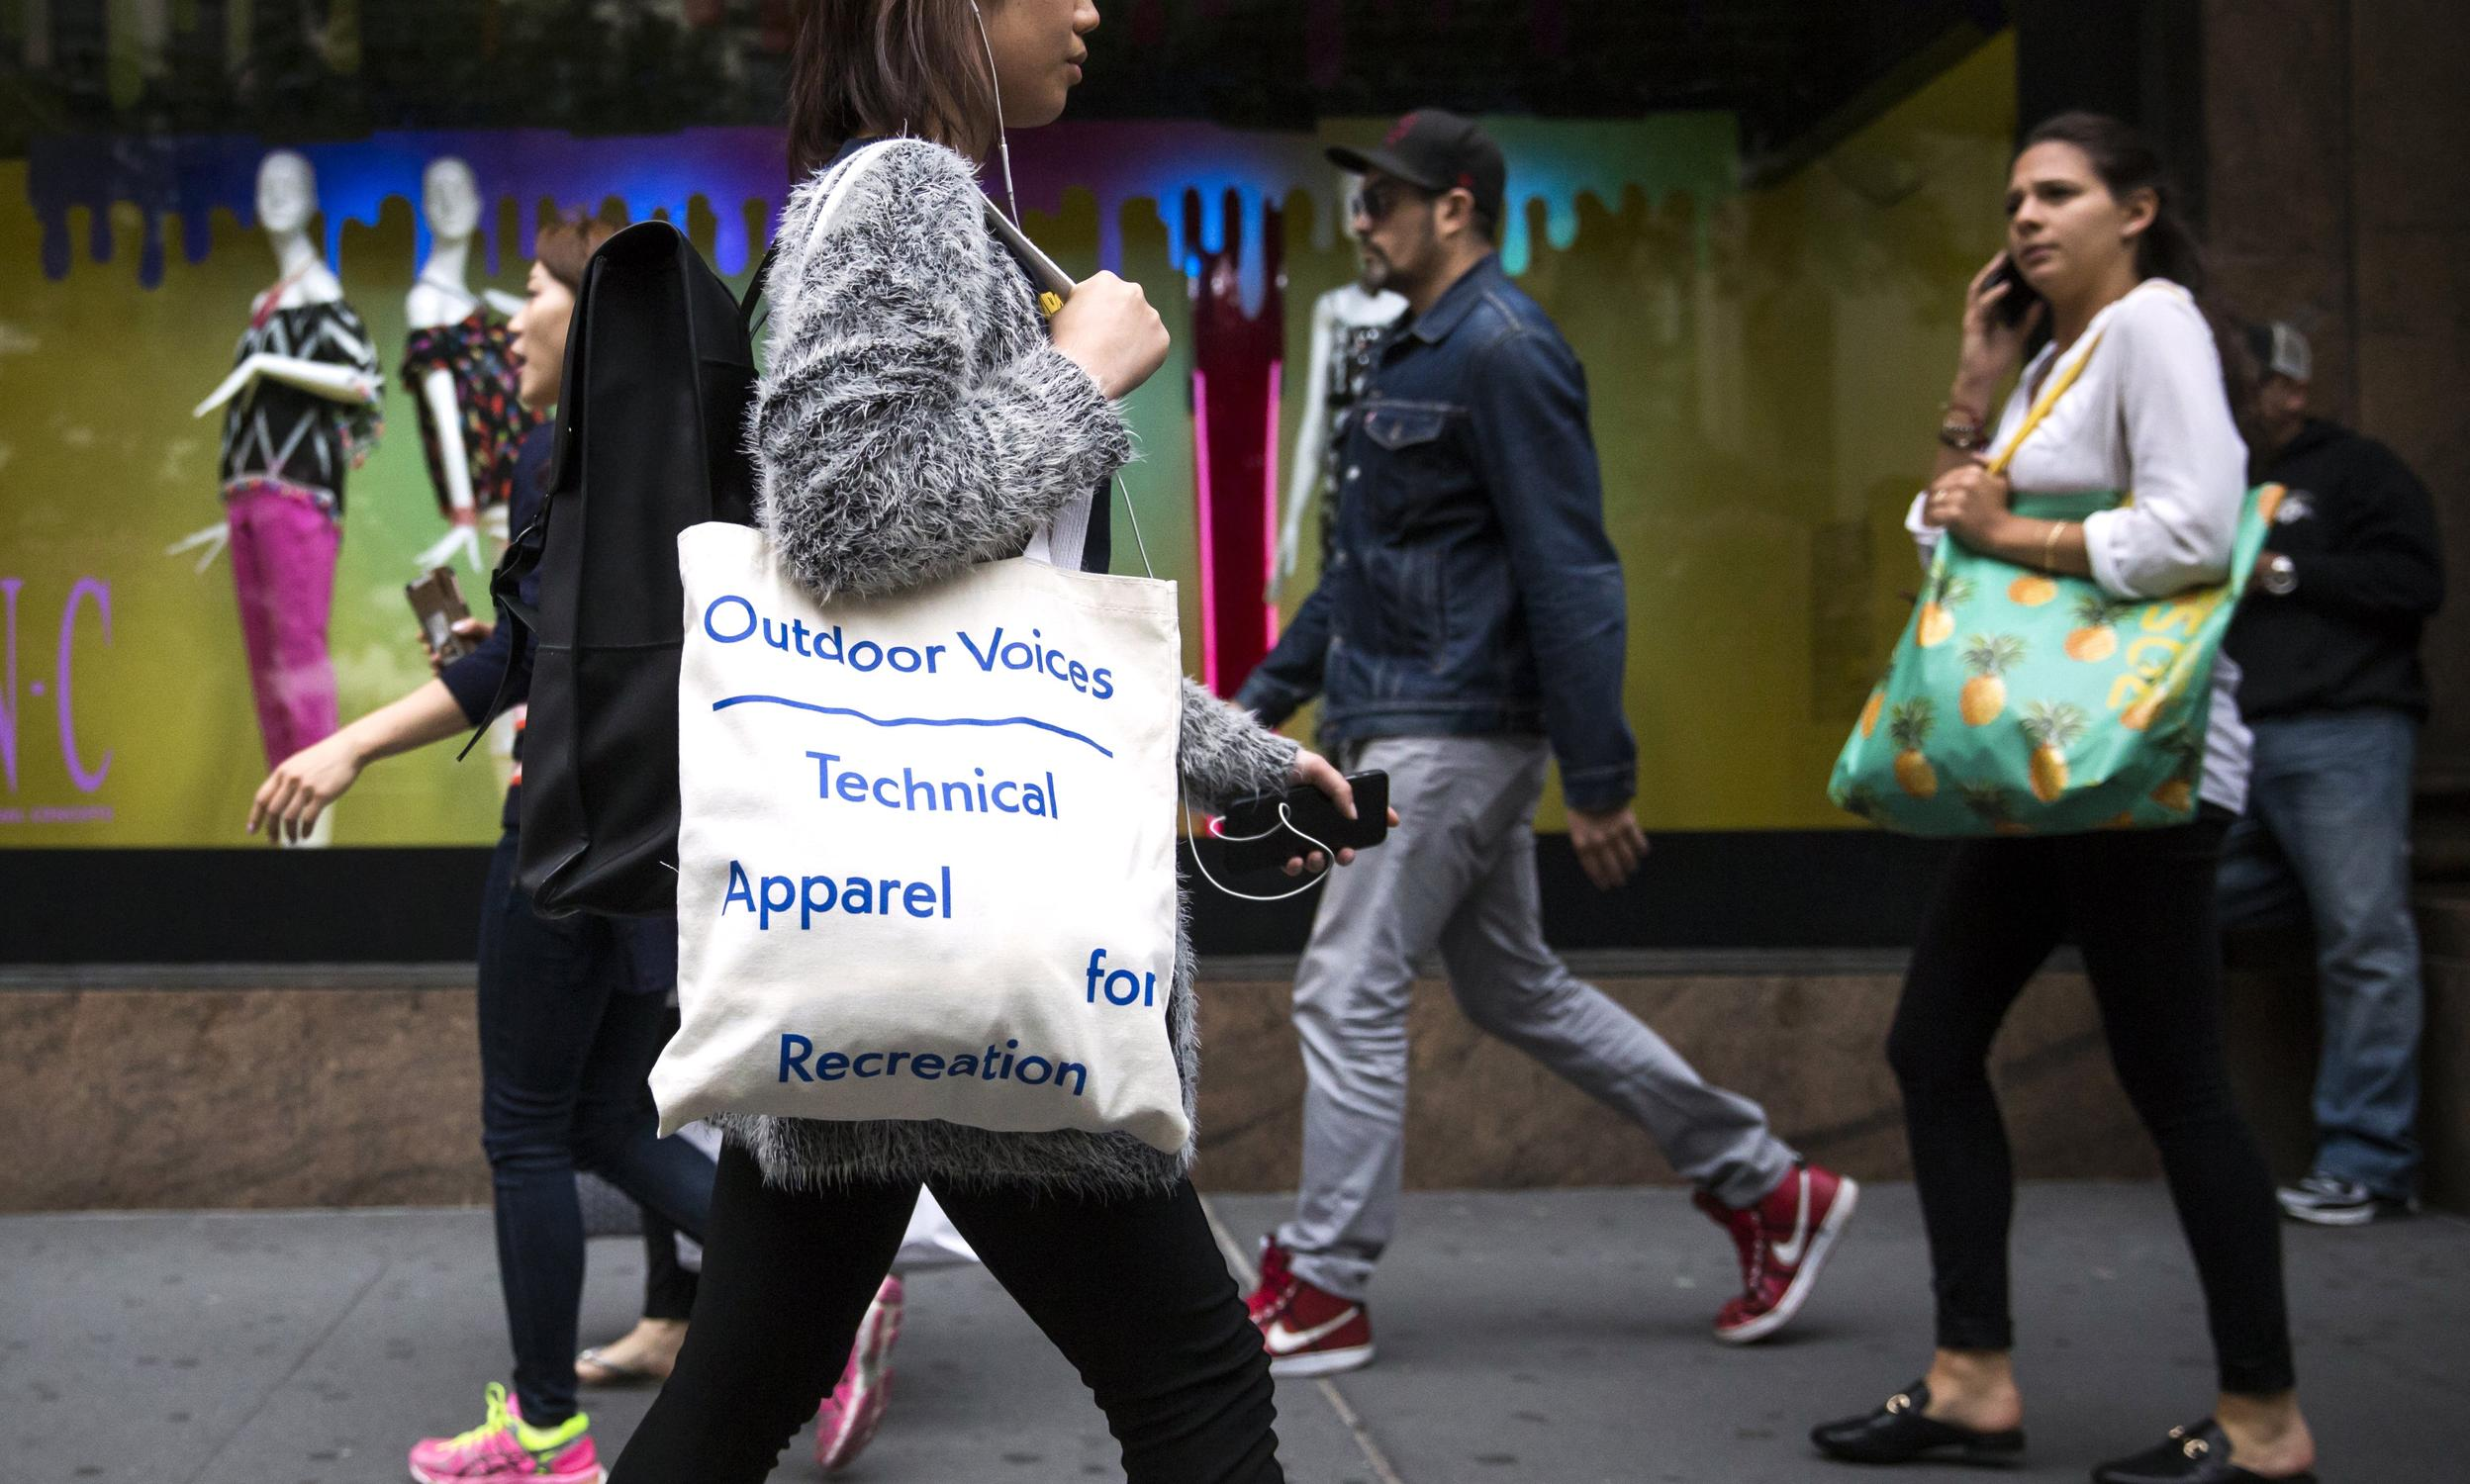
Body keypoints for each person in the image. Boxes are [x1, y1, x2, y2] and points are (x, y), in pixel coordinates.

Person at [607, 4, 1382, 1481]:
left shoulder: (916, 201)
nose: (1091, 8)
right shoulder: (904, 192)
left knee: (739, 1398)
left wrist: (1245, 764)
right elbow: (844, 514)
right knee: (1199, 1385)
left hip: (884, 920)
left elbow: (994, 635)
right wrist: (1076, 376)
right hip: (973, 937)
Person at [1232, 108, 1855, 1374]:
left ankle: (1328, 1284)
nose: (1365, 219)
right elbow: (1360, 573)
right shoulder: (1414, 354)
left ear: (1456, 207)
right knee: (1514, 986)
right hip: (1409, 712)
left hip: (1448, 729)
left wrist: (1603, 772)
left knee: (1346, 990)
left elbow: (1573, 572)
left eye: (1387, 199)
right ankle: (1766, 1185)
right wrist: (1254, 706)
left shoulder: (1506, 350)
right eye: (1364, 200)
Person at [1811, 114, 2319, 1483]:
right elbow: (1942, 540)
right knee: (1934, 1045)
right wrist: (1972, 389)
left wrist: (2013, 531)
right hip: (2049, 771)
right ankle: (1973, 1376)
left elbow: (2197, 529)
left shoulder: (2154, 328)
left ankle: (2266, 1421)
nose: (2026, 218)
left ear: (2136, 209)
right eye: (2015, 197)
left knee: (2181, 1086)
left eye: (2059, 193)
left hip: (2140, 773)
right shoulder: (2053, 356)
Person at [249, 215, 719, 1484]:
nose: (507, 321)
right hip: (666, 856)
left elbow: (512, 666)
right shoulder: (714, 466)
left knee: (525, 1132)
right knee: (611, 1122)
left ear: (595, 316)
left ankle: (545, 1429)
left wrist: (346, 745)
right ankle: (811, 1297)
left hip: (560, 843)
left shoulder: (565, 465)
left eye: (531, 294)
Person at [2216, 321, 2445, 1228]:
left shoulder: (2360, 471)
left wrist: (2277, 574)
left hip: (2344, 733)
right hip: (2232, 742)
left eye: (2243, 385)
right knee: (2171, 904)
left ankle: (2370, 1164)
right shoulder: (2211, 477)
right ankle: (2202, 1141)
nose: (2228, 403)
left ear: (2290, 391)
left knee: (2364, 941)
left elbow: (2414, 583)